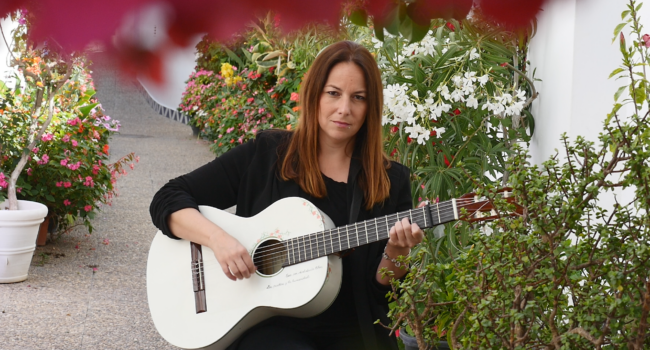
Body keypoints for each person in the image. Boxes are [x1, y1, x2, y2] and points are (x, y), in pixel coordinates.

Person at [149, 40, 424, 350]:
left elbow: (383, 293)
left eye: (358, 98)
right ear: (314, 95)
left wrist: (397, 252)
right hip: (267, 327)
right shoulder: (268, 154)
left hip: (352, 331)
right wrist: (219, 241)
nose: (344, 109)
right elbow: (168, 198)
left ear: (370, 106)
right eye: (333, 93)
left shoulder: (390, 180)